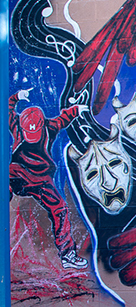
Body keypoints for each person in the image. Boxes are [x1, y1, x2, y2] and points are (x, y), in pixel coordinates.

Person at [9, 88, 88, 269]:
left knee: (59, 208)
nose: (32, 139)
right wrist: (17, 97)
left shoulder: (49, 127)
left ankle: (67, 255)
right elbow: (8, 108)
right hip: (18, 172)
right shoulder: (15, 124)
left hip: (41, 179)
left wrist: (77, 110)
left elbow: (63, 119)